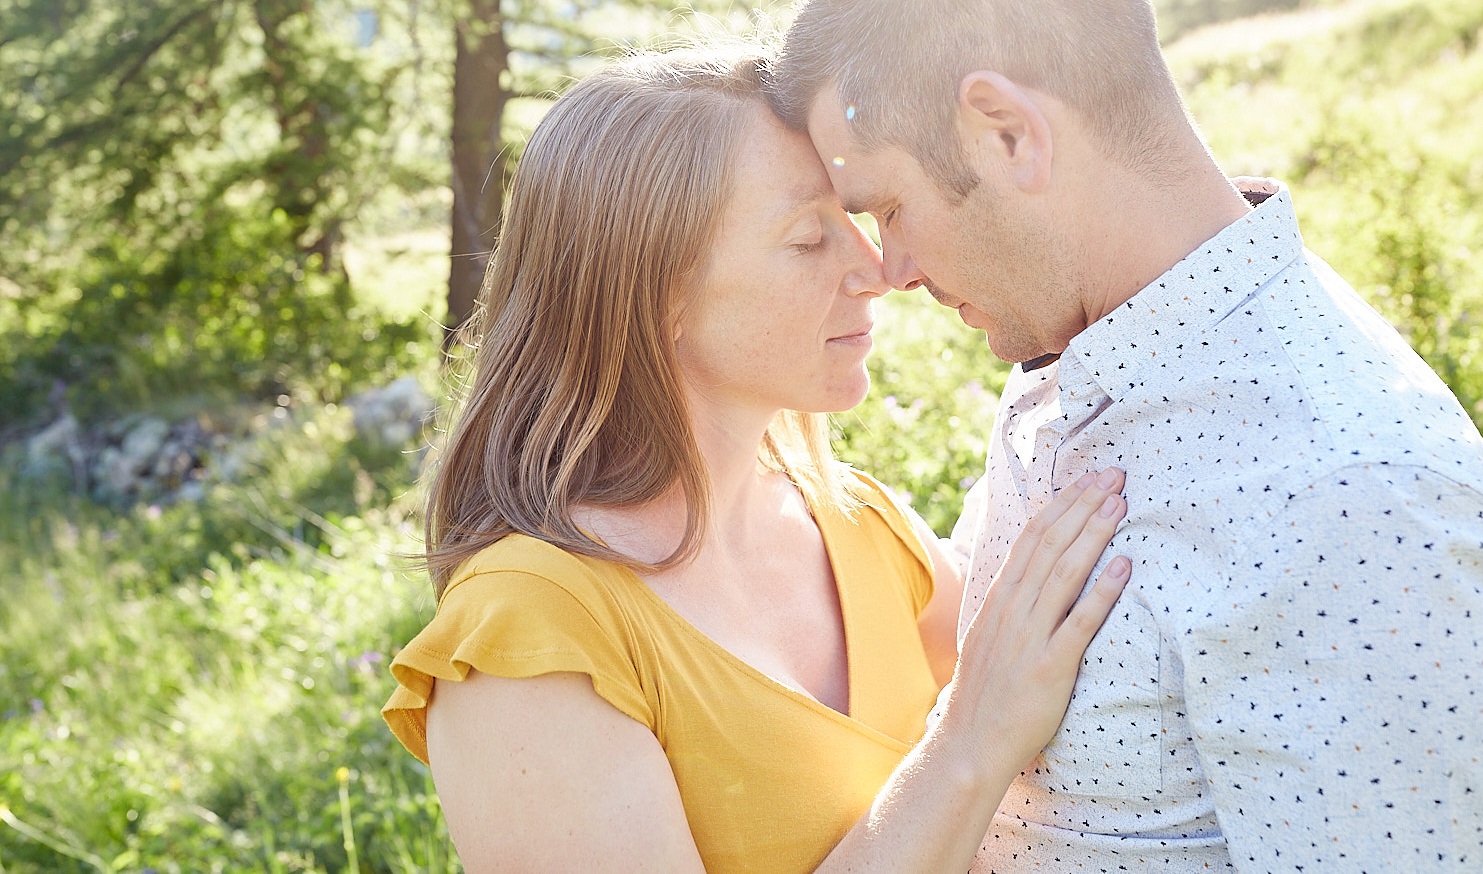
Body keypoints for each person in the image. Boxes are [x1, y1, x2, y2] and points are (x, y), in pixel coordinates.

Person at [771, 0, 1483, 872]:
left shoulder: (1354, 495)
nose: (892, 269)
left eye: (887, 206)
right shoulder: (1073, 349)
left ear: (1005, 132)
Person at [381, 47, 1135, 872]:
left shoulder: (864, 526)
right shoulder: (529, 635)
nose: (876, 271)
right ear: (657, 292)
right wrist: (966, 748)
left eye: (853, 219)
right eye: (810, 238)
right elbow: (989, 721)